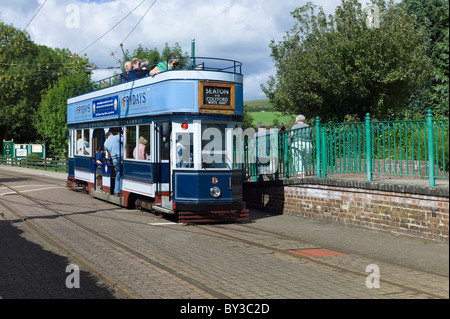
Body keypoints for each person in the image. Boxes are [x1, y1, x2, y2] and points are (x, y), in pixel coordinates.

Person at [104, 131, 123, 196]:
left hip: (114, 160)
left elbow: (109, 151)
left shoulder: (105, 143)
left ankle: (116, 191)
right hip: (122, 157)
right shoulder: (116, 137)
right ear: (111, 134)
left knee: (117, 175)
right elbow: (126, 141)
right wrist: (121, 136)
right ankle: (121, 189)